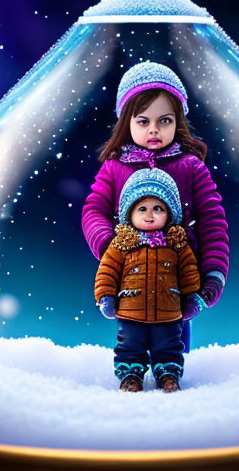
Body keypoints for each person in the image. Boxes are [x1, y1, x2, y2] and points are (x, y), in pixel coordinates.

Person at [81, 61, 229, 352]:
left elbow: (212, 221)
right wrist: (110, 244)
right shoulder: (115, 167)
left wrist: (213, 273)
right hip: (129, 274)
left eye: (165, 120)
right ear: (127, 122)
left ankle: (171, 385)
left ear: (178, 121)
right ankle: (134, 376)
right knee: (132, 337)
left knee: (174, 343)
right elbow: (94, 210)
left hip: (182, 275)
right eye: (143, 121)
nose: (154, 130)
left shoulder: (191, 167)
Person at [94, 168, 201, 392]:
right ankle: (130, 374)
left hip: (168, 311)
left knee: (169, 346)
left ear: (170, 213)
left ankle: (169, 373)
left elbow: (189, 272)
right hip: (130, 310)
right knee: (130, 346)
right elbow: (107, 271)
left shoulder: (178, 246)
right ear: (130, 213)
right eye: (142, 208)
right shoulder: (121, 245)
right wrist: (106, 296)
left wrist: (192, 297)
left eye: (158, 208)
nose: (149, 215)